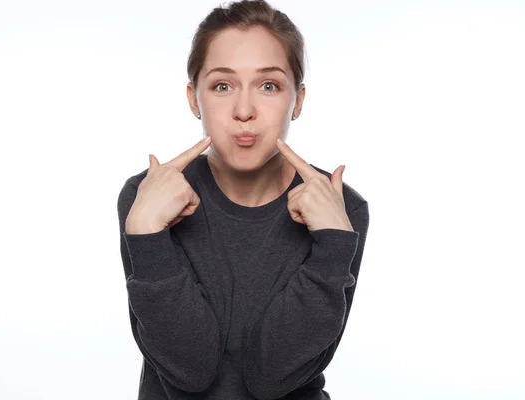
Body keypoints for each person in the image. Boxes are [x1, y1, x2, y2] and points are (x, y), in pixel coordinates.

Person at [117, 0, 370, 398]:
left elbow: (271, 379)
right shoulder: (145, 198)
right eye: (222, 86)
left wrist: (332, 248)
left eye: (269, 85)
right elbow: (190, 371)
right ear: (193, 98)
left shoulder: (341, 208)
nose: (244, 110)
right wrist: (146, 237)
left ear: (298, 100)